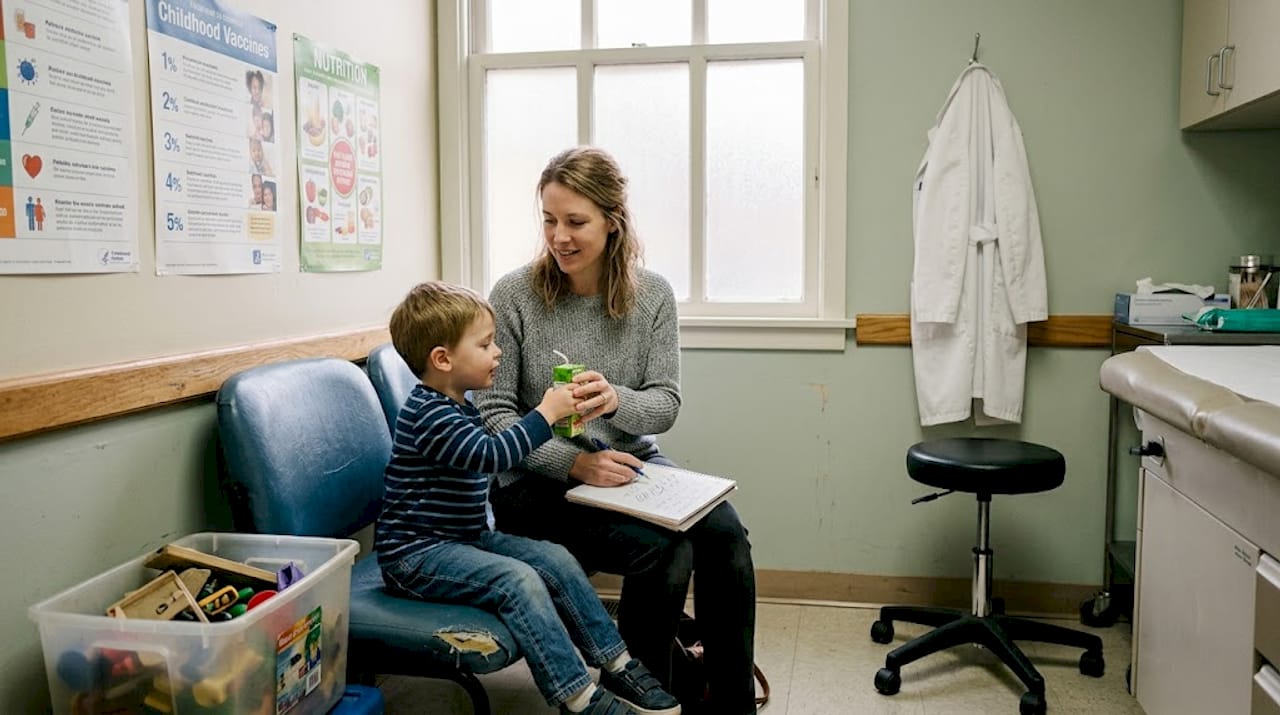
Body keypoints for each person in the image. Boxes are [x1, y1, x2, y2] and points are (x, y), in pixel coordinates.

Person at [476, 146, 758, 714]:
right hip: (534, 480)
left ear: (613, 221)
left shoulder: (651, 295)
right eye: (549, 220)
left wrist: (614, 401)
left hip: (632, 466)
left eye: (576, 221)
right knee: (666, 551)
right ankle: (639, 702)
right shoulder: (513, 295)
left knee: (727, 536)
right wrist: (575, 463)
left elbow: (665, 404)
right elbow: (495, 416)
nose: (559, 237)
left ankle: (728, 705)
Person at [378, 281, 682, 715]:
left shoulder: (457, 403)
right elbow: (491, 454)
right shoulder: (427, 414)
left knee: (556, 560)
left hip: (464, 538)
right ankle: (578, 698)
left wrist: (585, 443)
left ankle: (619, 663)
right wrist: (546, 413)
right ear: (442, 359)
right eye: (485, 344)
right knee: (517, 582)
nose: (498, 351)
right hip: (416, 555)